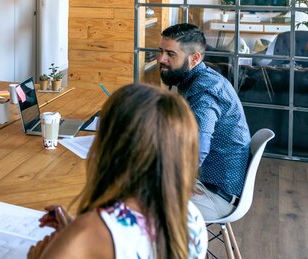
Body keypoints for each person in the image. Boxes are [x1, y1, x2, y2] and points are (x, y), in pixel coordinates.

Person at [28, 84, 208, 259]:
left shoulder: (89, 233)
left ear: (110, 147)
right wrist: (74, 231)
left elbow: (101, 239)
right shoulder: (191, 217)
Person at [158, 23, 251, 220]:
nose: (161, 59)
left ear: (195, 58)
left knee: (134, 200)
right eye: (161, 51)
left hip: (214, 195)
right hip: (210, 184)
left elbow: (198, 145)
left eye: (170, 54)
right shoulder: (196, 80)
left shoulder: (204, 91)